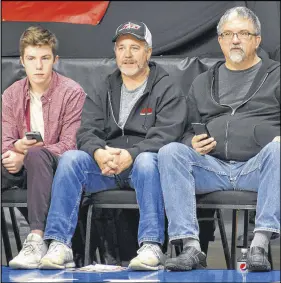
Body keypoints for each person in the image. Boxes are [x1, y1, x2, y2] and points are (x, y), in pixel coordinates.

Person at [37, 21, 187, 270]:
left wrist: (132, 154)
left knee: (149, 160)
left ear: (148, 52)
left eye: (135, 48)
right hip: (106, 166)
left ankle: (151, 246)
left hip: (143, 165)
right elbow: (86, 130)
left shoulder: (167, 87)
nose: (127, 55)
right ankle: (59, 244)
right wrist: (97, 152)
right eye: (121, 48)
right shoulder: (104, 85)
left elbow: (168, 134)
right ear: (115, 52)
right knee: (71, 159)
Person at [158, 6, 280, 271]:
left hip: (259, 168)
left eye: (243, 33)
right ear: (220, 41)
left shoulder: (277, 75)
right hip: (212, 168)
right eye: (228, 34)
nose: (235, 40)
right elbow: (187, 128)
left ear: (257, 40)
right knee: (170, 152)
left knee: (279, 151)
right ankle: (191, 247)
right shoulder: (202, 82)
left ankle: (259, 246)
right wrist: (192, 141)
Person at [2, 26, 86, 269]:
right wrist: (15, 149)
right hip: (21, 164)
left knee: (38, 155)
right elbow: (5, 140)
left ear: (55, 60)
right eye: (31, 59)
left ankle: (37, 238)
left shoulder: (72, 92)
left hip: (58, 166)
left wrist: (24, 153)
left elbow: (70, 144)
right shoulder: (11, 94)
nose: (38, 66)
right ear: (22, 61)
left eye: (44, 58)